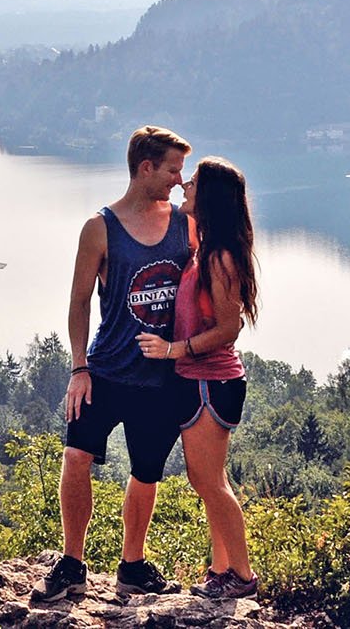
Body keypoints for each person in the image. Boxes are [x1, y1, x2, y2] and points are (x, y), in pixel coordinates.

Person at [33, 126, 194, 603]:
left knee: (147, 473)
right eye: (171, 170)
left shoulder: (185, 225)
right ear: (146, 168)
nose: (178, 181)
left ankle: (133, 565)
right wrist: (78, 368)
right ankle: (72, 564)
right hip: (103, 371)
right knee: (76, 457)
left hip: (161, 377)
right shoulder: (100, 229)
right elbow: (79, 302)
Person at [138, 156, 260, 600]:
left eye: (193, 181)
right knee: (207, 480)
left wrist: (175, 350)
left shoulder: (219, 258)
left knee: (209, 482)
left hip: (212, 382)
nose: (184, 185)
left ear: (209, 197)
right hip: (199, 381)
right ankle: (221, 568)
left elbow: (230, 329)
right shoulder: (205, 249)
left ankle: (242, 578)